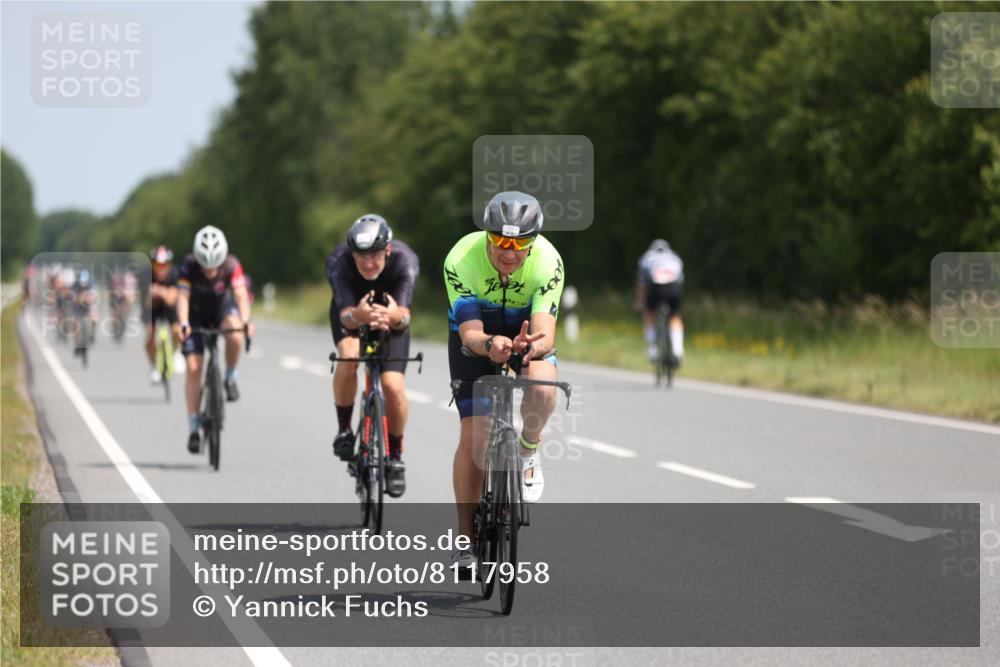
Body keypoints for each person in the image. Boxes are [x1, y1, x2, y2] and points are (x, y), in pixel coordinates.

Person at [443, 191, 564, 573]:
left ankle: (528, 449)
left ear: (533, 241)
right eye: (500, 241)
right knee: (475, 436)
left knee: (543, 388)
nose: (509, 252)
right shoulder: (461, 258)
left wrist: (532, 346)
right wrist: (489, 345)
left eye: (520, 243)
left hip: (526, 332)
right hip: (477, 336)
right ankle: (465, 541)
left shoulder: (549, 261)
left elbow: (546, 332)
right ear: (487, 236)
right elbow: (469, 333)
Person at [326, 214, 419, 498]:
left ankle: (395, 456)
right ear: (351, 253)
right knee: (350, 356)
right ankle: (344, 429)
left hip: (391, 320)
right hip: (353, 314)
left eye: (376, 255)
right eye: (361, 256)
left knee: (393, 385)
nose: (368, 263)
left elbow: (404, 316)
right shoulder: (337, 262)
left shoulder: (406, 260)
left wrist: (392, 317)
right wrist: (359, 316)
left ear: (388, 250)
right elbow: (345, 316)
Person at [177, 226, 254, 453]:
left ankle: (230, 376)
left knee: (236, 331)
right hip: (196, 314)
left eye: (214, 267)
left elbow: (240, 296)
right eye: (205, 266)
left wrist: (246, 320)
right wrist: (183, 322)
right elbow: (182, 297)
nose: (210, 271)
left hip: (221, 311)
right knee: (194, 366)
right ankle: (193, 428)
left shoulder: (231, 264)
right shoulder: (189, 266)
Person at [635, 239, 685, 364]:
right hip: (674, 288)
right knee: (675, 316)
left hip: (657, 288)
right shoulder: (675, 257)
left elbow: (641, 284)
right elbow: (680, 281)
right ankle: (678, 350)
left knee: (648, 312)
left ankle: (652, 349)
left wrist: (639, 303)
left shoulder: (647, 257)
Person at [143, 245, 181, 382]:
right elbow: (146, 302)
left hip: (169, 307)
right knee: (149, 336)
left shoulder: (175, 274)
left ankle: (176, 352)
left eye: (164, 265)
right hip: (153, 307)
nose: (161, 268)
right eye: (157, 264)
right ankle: (154, 366)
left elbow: (172, 299)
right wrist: (152, 295)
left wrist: (161, 292)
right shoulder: (147, 275)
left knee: (177, 330)